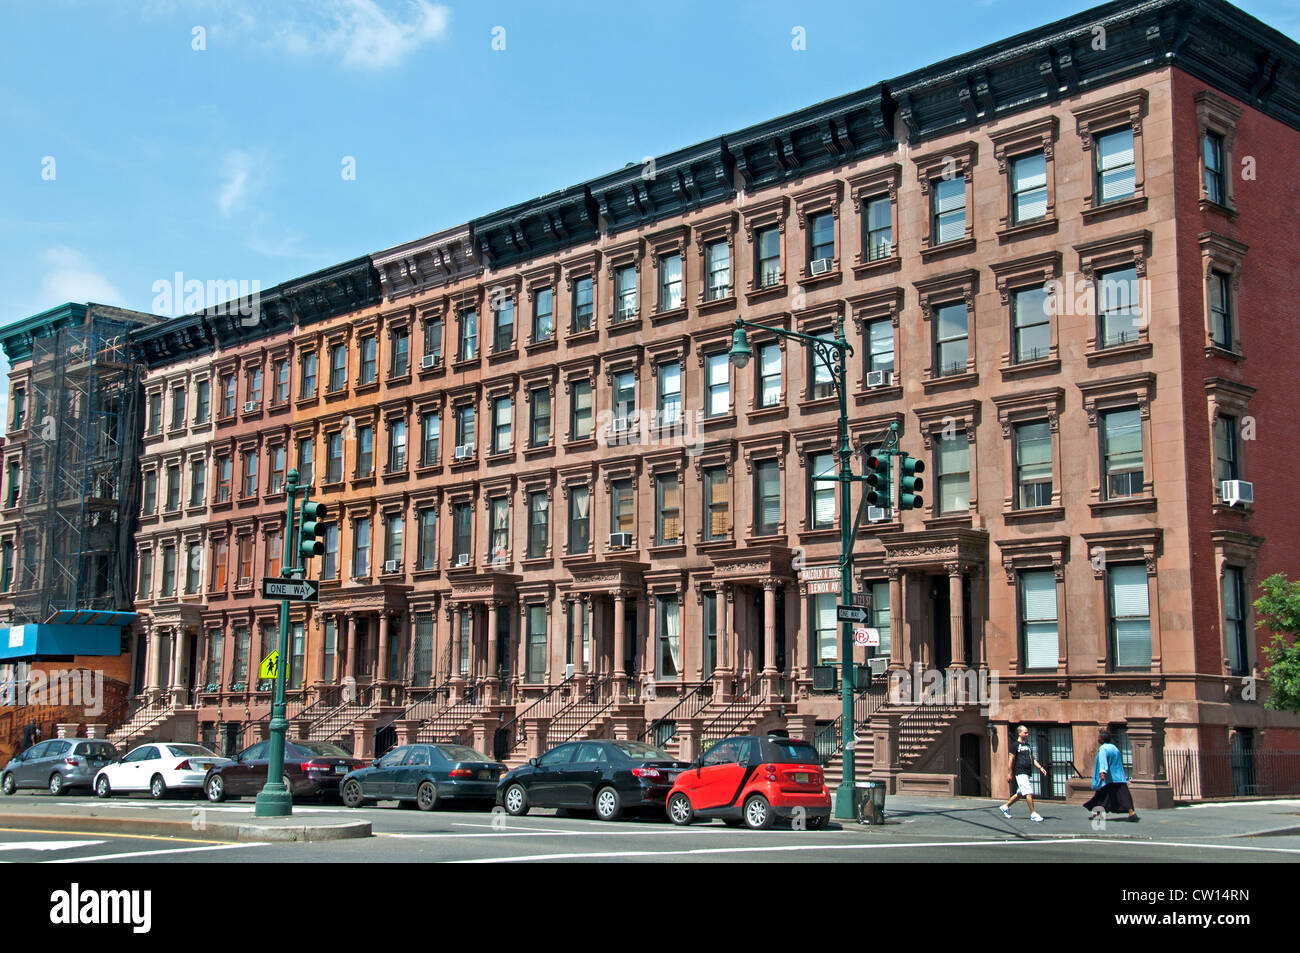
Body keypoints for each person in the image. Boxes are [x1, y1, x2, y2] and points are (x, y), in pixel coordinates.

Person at [1084, 729, 1139, 822]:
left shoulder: (1103, 749)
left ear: (1102, 739)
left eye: (1099, 737)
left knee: (1101, 796)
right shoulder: (1114, 748)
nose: (1098, 739)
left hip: (1109, 778)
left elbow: (1103, 761)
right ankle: (1131, 813)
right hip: (1119, 777)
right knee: (1123, 796)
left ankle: (1099, 814)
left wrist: (1102, 772)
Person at [998, 725, 1048, 822]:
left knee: (1020, 793)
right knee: (1028, 792)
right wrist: (1010, 773)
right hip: (1020, 772)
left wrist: (1040, 767)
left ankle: (1005, 806)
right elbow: (1011, 759)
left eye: (1027, 732)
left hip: (1027, 771)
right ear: (1019, 733)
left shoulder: (1028, 746)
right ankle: (1033, 813)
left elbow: (1032, 759)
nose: (1027, 734)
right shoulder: (1015, 745)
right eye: (1025, 733)